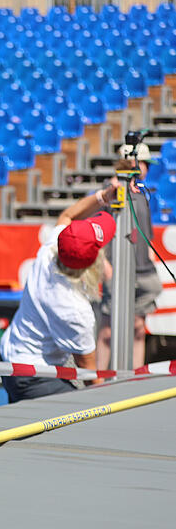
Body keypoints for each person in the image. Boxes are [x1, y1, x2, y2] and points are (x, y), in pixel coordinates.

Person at [0, 186, 118, 402]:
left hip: (15, 358)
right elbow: (89, 372)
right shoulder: (74, 309)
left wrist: (102, 197)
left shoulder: (50, 251)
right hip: (33, 376)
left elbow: (67, 215)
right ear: (93, 263)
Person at [95, 143, 164, 369]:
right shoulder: (111, 192)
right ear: (132, 163)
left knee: (137, 329)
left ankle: (136, 378)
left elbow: (146, 235)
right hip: (118, 271)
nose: (146, 168)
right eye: (143, 163)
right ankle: (96, 378)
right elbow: (97, 233)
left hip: (143, 272)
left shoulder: (142, 194)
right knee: (107, 330)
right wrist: (106, 265)